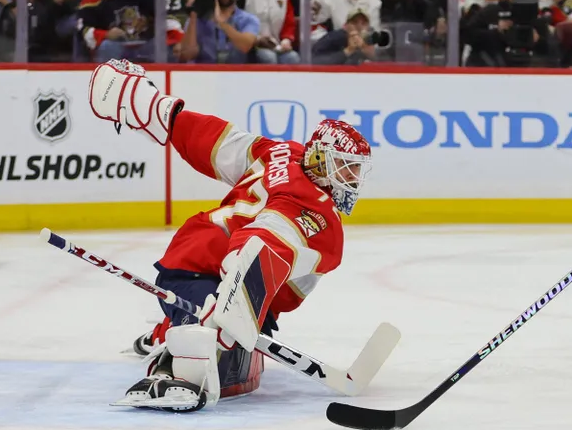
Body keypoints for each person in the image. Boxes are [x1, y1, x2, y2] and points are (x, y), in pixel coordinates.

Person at [88, 59, 372, 412]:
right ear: (321, 160)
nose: (353, 178)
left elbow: (217, 144)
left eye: (357, 169)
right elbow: (259, 244)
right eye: (347, 166)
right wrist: (230, 306)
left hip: (204, 259)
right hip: (198, 267)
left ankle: (170, 327)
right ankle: (169, 366)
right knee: (206, 347)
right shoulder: (317, 215)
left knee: (226, 337)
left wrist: (156, 109)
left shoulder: (283, 152)